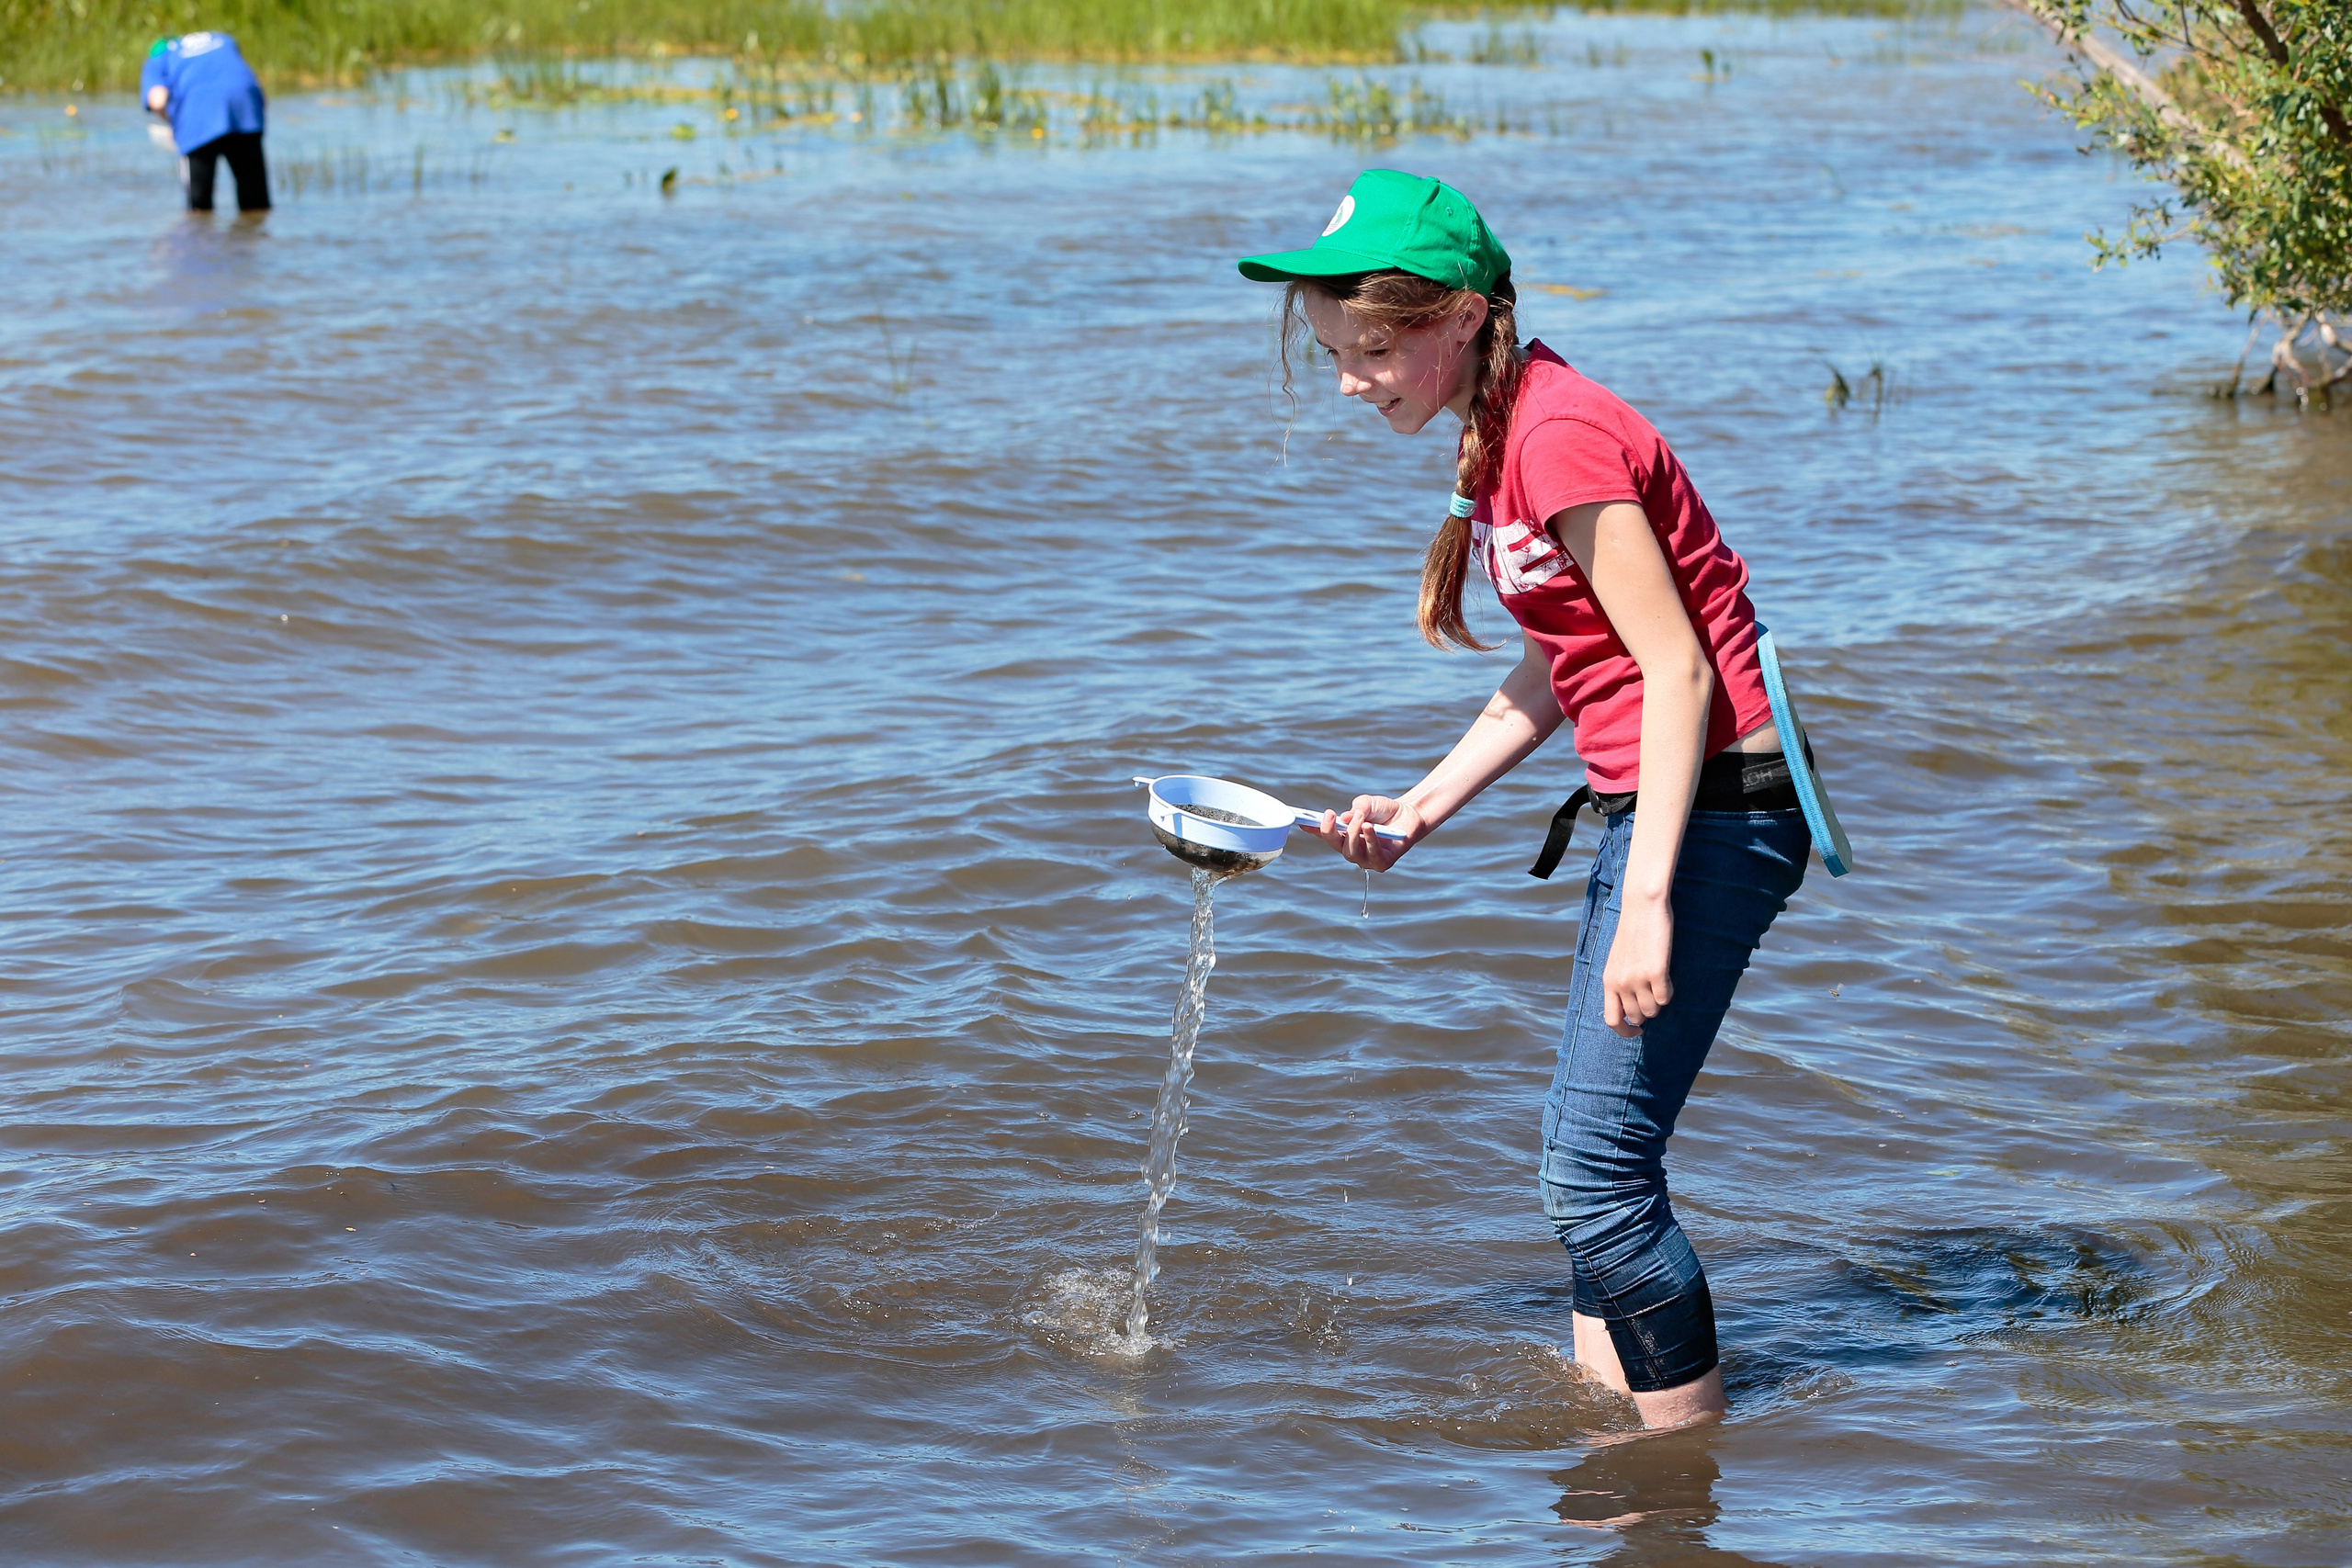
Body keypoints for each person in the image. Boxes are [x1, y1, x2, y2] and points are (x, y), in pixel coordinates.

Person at [1236, 169, 1812, 1430]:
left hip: (1713, 805)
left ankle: (1679, 1483)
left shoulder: (1554, 436)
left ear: (1455, 317)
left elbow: (1674, 666)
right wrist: (1422, 807)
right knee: (1591, 1165)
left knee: (1594, 1178)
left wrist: (1648, 901)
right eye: (1337, 352)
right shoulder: (1504, 429)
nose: (1349, 378)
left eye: (1370, 348)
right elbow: (1572, 650)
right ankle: (1627, 1473)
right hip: (1659, 798)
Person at [141, 31, 270, 214]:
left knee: (199, 212)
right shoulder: (224, 40)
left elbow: (157, 100)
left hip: (197, 117)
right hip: (245, 110)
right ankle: (257, 240)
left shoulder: (158, 58)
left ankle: (202, 241)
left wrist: (175, 125)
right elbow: (251, 85)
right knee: (256, 206)